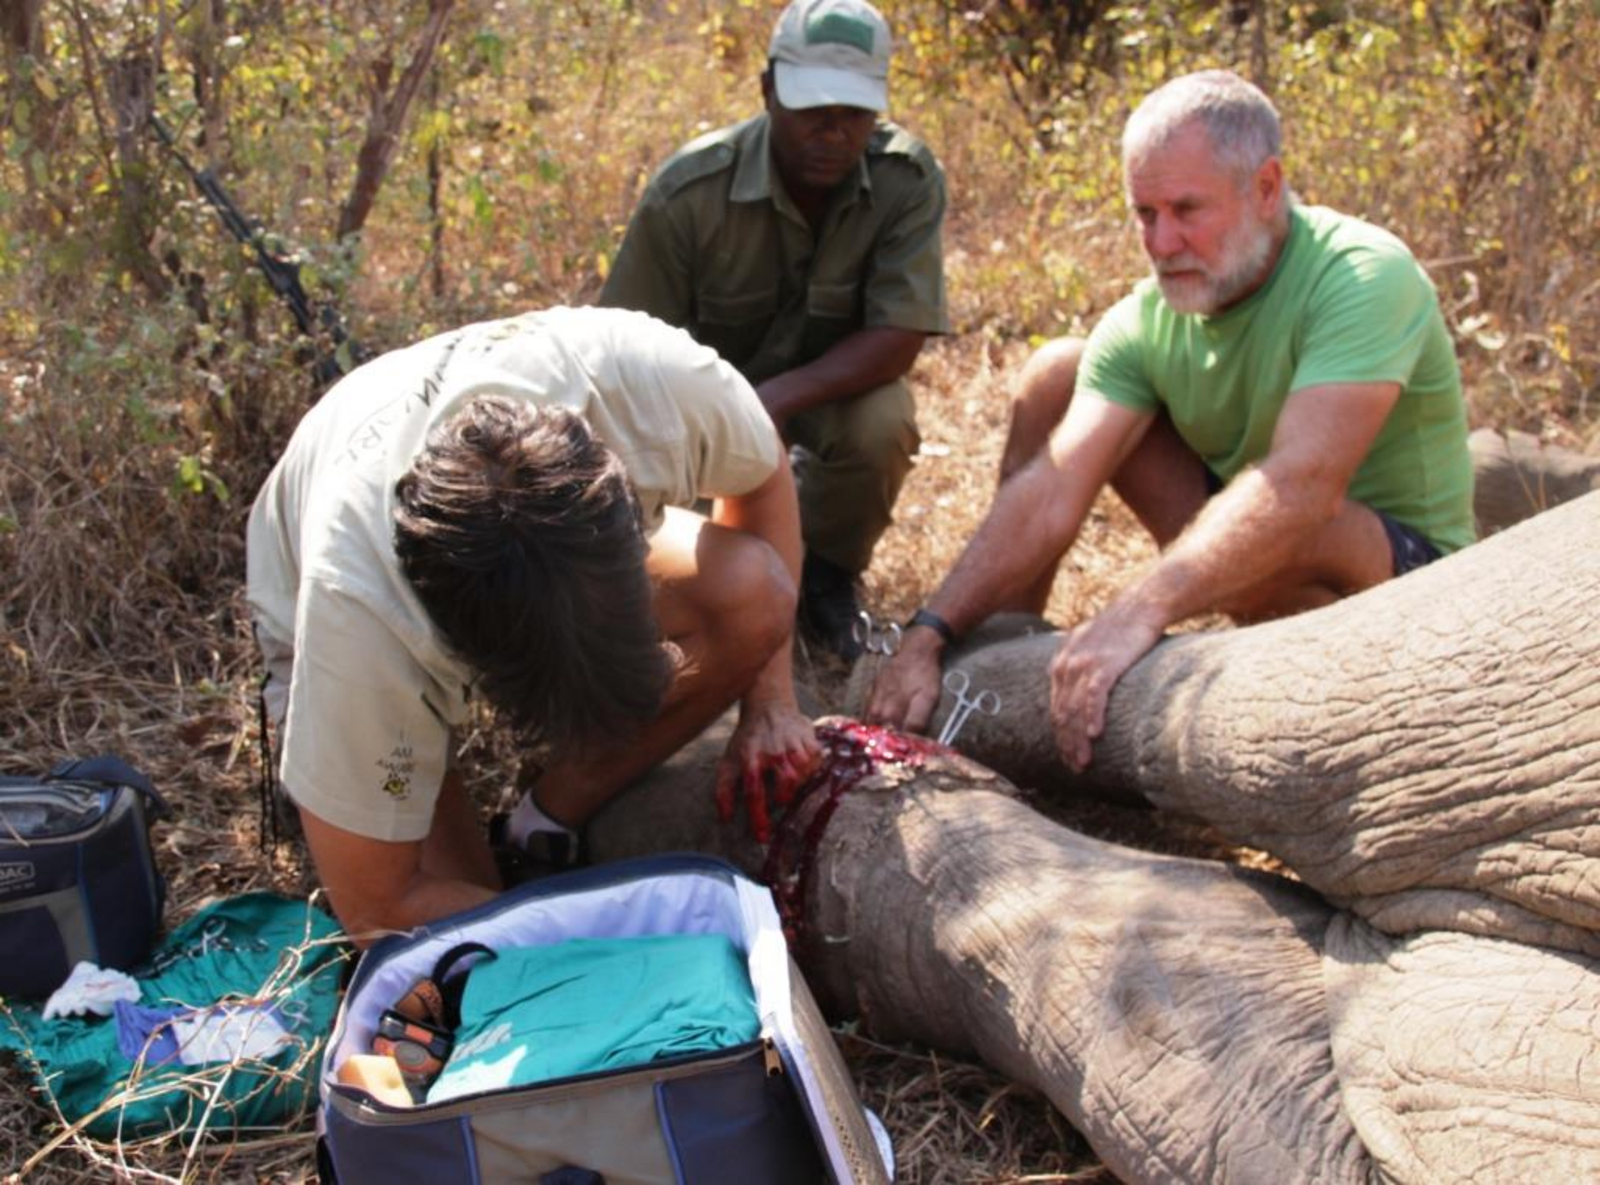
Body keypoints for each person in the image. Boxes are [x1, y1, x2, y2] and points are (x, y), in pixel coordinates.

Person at [866, 69, 1474, 771]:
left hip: (1410, 585)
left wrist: (1137, 608)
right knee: (1061, 375)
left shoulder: (1362, 273)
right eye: (1145, 214)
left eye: (1187, 209)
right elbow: (1053, 487)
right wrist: (929, 632)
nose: (1162, 241)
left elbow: (1305, 487)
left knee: (1301, 514)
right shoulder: (1143, 319)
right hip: (1257, 569)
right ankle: (1008, 647)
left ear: (1267, 188)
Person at [247, 306, 820, 943]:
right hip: (341, 568)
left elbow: (764, 469)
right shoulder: (359, 618)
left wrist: (770, 701)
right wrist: (621, 939)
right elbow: (378, 908)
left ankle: (543, 822)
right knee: (457, 929)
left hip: (525, 520)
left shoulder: (648, 385)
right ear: (470, 661)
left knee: (752, 596)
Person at [599, 0, 948, 661]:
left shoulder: (906, 180)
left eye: (854, 113)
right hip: (693, 414)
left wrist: (777, 399)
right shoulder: (691, 193)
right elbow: (622, 355)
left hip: (819, 395)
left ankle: (826, 581)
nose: (834, 131)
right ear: (768, 91)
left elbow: (900, 334)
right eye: (813, 109)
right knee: (696, 584)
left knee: (884, 422)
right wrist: (728, 420)